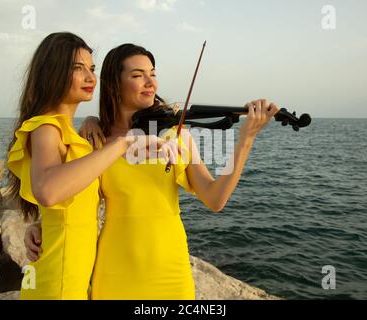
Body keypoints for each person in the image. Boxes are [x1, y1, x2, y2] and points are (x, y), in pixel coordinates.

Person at [25, 43, 279, 299]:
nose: (150, 82)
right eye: (137, 75)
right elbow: (75, 195)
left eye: (153, 74)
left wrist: (246, 139)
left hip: (171, 270)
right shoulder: (95, 138)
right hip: (114, 270)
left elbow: (215, 199)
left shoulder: (176, 135)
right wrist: (42, 224)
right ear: (115, 83)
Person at [7, 34, 168, 299]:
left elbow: (65, 201)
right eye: (77, 69)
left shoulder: (71, 133)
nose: (91, 78)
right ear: (52, 72)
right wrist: (122, 144)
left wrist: (42, 224)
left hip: (70, 281)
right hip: (56, 286)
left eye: (92, 69)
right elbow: (47, 190)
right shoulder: (47, 127)